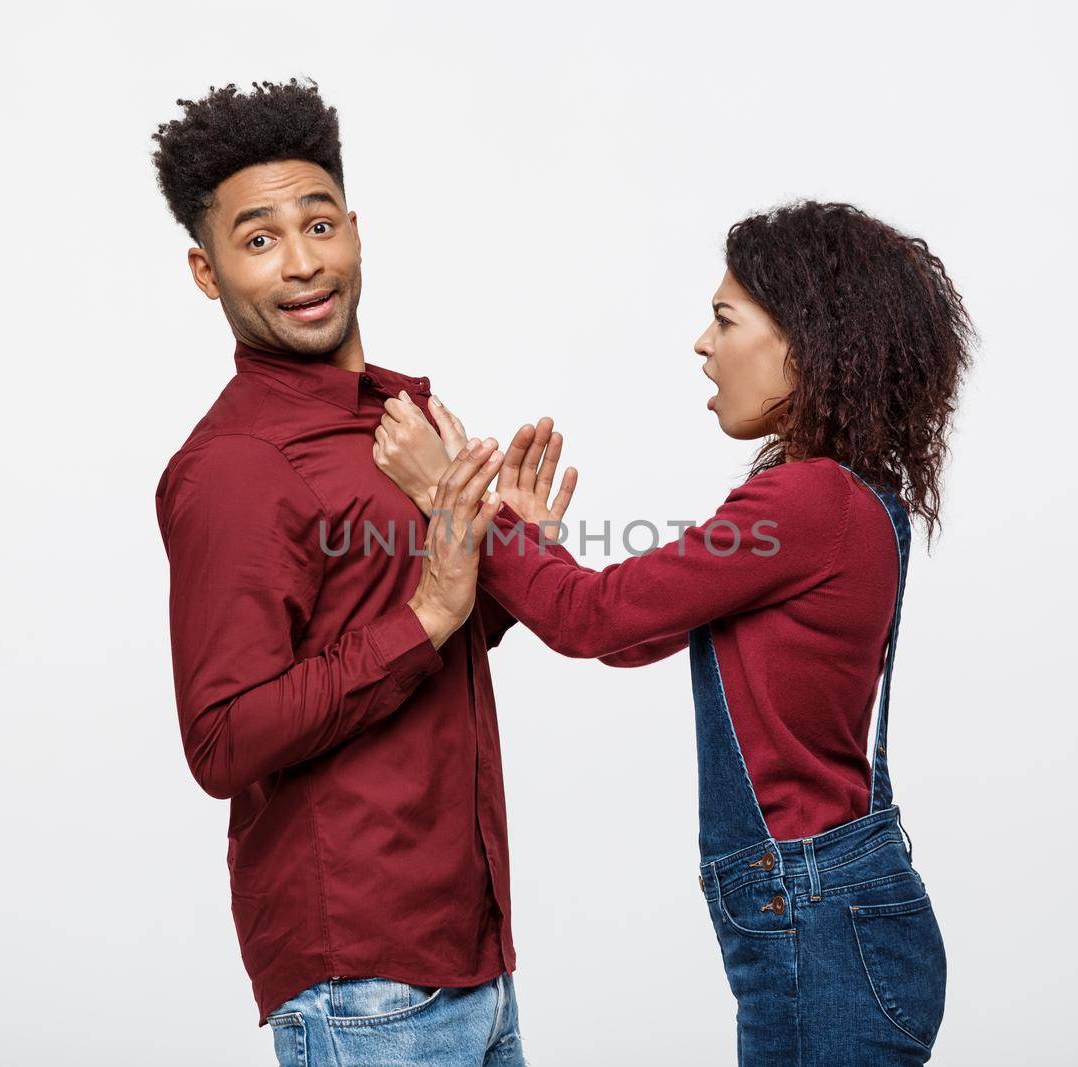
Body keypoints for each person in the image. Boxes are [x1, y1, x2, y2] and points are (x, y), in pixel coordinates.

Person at [375, 200, 974, 1065]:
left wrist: (456, 505)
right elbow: (625, 633)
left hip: (816, 923)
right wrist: (534, 546)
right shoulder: (850, 499)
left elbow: (594, 618)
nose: (703, 342)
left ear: (806, 340)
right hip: (830, 917)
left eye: (726, 319)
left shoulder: (807, 501)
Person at [149, 79, 526, 1066]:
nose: (303, 262)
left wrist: (487, 574)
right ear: (206, 268)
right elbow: (223, 736)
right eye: (259, 238)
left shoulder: (392, 427)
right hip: (364, 984)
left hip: (471, 956)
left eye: (318, 223)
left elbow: (411, 634)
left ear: (355, 229)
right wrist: (428, 612)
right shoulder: (237, 465)